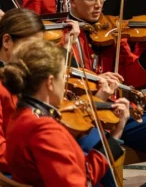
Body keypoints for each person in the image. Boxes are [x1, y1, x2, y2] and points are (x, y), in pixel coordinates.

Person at [65, 0, 146, 187]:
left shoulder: (113, 30)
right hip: (84, 119)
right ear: (72, 0)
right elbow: (62, 81)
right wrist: (95, 79)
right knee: (102, 150)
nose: (99, 4)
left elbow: (133, 78)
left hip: (118, 112)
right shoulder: (62, 34)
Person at [3, 39, 129, 187]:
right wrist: (115, 136)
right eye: (63, 76)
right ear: (50, 82)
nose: (65, 83)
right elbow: (82, 182)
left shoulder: (19, 115)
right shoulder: (44, 130)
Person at [0, 9, 47, 175]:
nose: (35, 56)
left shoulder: (24, 73)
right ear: (7, 41)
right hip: (14, 167)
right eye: (30, 47)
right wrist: (38, 162)